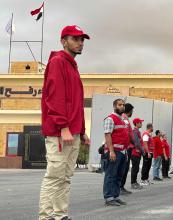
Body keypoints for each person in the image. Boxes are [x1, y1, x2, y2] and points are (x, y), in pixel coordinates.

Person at [39, 25, 91, 220]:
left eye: (82, 39)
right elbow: (55, 98)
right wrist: (63, 127)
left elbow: (75, 104)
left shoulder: (72, 66)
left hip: (73, 132)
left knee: (65, 177)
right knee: (54, 177)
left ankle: (60, 215)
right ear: (63, 41)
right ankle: (46, 217)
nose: (80, 43)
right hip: (60, 133)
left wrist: (82, 130)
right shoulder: (58, 62)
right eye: (75, 39)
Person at [103, 99, 129, 206]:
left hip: (122, 152)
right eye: (119, 105)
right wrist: (111, 151)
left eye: (123, 105)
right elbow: (107, 135)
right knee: (111, 175)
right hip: (114, 152)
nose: (122, 106)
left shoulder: (122, 120)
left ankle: (115, 196)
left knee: (119, 175)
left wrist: (125, 152)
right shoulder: (110, 119)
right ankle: (109, 197)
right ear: (114, 106)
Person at [120, 103, 134, 195]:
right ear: (129, 110)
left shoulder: (124, 118)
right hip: (127, 146)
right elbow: (127, 132)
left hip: (127, 146)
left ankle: (121, 186)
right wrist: (133, 141)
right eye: (132, 110)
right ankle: (120, 187)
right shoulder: (124, 118)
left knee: (125, 167)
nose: (132, 112)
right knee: (124, 167)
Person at [130, 118, 144, 189]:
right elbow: (137, 143)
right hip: (135, 152)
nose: (141, 124)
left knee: (136, 168)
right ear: (137, 123)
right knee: (135, 168)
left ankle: (135, 182)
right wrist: (142, 150)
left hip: (137, 152)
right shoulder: (135, 131)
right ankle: (133, 183)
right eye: (140, 122)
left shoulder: (137, 131)